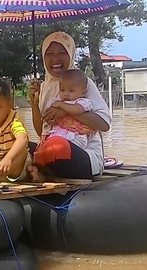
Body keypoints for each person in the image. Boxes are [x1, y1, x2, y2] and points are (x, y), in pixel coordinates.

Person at [27, 32, 111, 181]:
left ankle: (41, 171)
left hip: (85, 155)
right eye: (50, 54)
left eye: (62, 53)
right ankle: (41, 171)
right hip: (52, 147)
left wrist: (65, 111)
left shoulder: (83, 83)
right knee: (20, 145)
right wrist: (34, 102)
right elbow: (42, 130)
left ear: (71, 54)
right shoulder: (45, 86)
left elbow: (104, 124)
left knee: (57, 146)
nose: (55, 59)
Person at [34, 69, 95, 167]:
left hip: (75, 136)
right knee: (41, 148)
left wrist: (62, 106)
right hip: (57, 134)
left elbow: (77, 110)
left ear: (83, 92)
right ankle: (39, 167)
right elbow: (48, 117)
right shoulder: (57, 100)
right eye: (62, 90)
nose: (66, 94)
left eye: (71, 90)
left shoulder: (83, 102)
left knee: (58, 148)